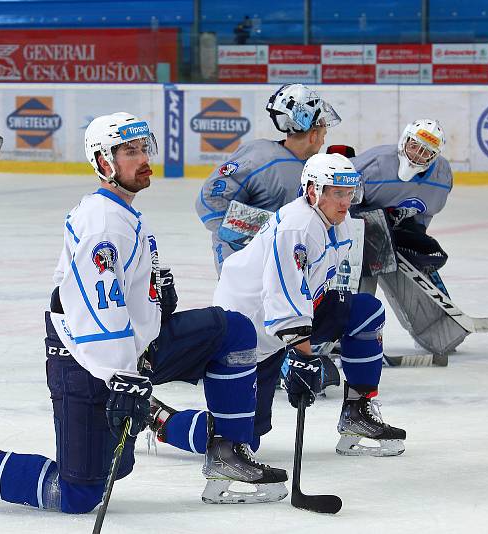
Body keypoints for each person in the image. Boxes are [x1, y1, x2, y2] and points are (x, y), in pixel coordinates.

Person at [0, 112, 290, 512]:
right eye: (129, 152)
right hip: (86, 359)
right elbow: (96, 314)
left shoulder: (123, 212)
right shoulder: (104, 223)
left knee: (234, 330)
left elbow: (125, 295)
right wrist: (124, 380)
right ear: (104, 163)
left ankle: (224, 449)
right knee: (80, 493)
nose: (143, 159)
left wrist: (156, 297)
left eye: (144, 148)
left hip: (134, 348)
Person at [151, 153, 406, 458]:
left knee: (364, 312)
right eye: (337, 193)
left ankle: (357, 413)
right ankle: (152, 416)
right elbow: (283, 297)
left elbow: (309, 290)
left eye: (349, 193)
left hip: (287, 321)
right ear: (313, 191)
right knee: (236, 439)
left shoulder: (341, 224)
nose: (345, 202)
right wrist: (303, 355)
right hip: (248, 329)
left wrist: (307, 346)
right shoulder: (297, 228)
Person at [195, 83, 341, 275]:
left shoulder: (313, 168)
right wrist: (268, 235)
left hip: (286, 269)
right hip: (245, 270)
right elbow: (210, 203)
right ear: (313, 135)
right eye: (323, 134)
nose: (323, 141)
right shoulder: (259, 157)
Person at [349, 120, 456, 355]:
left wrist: (411, 238)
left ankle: (437, 328)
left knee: (418, 260)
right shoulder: (373, 165)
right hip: (360, 231)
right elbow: (338, 199)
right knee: (361, 279)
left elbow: (423, 215)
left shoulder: (441, 176)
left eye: (427, 152)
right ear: (404, 141)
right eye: (415, 146)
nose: (418, 155)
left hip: (397, 231)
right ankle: (349, 332)